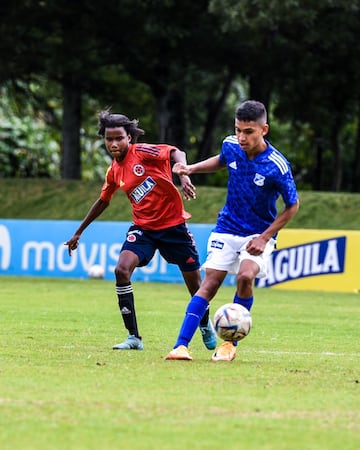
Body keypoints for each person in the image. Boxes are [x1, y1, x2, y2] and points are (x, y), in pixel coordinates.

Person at [65, 110, 217, 351]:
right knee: (121, 269)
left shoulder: (144, 152)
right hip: (143, 229)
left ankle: (205, 324)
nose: (113, 144)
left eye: (118, 138)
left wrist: (183, 172)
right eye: (109, 139)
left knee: (195, 285)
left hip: (173, 227)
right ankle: (134, 337)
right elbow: (103, 200)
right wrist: (79, 231)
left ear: (129, 138)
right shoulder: (114, 170)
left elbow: (176, 151)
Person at [165, 100, 299, 362]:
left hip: (257, 233)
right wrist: (191, 169)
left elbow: (292, 206)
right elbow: (221, 160)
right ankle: (181, 346)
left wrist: (265, 237)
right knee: (209, 285)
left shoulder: (277, 165)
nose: (241, 137)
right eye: (238, 130)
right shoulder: (231, 145)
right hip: (226, 227)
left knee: (245, 277)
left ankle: (229, 345)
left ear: (264, 129)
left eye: (248, 131)